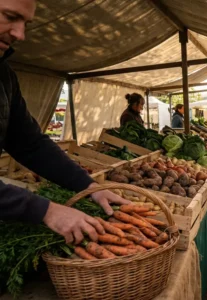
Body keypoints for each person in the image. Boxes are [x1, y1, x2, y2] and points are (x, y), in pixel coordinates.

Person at [0, 0, 130, 245]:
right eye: (9, 16)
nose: (20, 34)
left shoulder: (5, 77)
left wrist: (90, 187)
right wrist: (46, 211)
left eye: (25, 23)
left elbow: (31, 144)